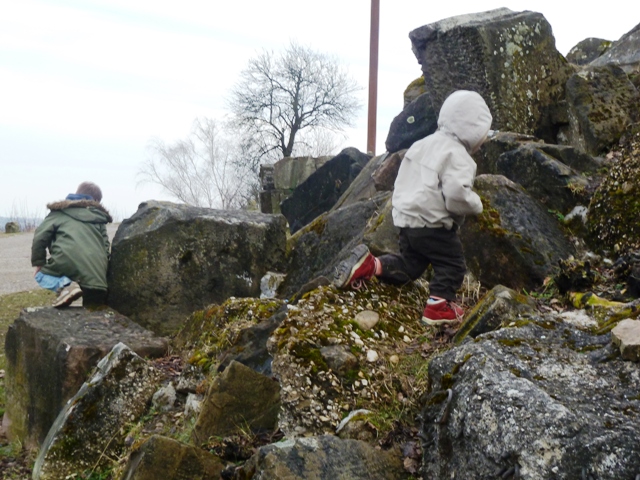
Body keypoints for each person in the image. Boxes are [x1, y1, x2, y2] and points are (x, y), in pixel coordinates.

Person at [333, 90, 492, 326]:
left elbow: (402, 178)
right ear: (473, 129)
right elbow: (457, 195)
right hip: (433, 222)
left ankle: (372, 265)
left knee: (410, 265)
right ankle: (438, 307)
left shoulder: (421, 145)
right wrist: (476, 204)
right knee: (452, 264)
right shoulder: (457, 154)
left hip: (406, 219)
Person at [31, 181, 112, 308]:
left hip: (66, 263)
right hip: (97, 278)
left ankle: (66, 286)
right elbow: (106, 249)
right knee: (91, 312)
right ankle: (73, 290)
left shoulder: (60, 212)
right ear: (96, 201)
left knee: (40, 275)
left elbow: (40, 237)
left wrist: (39, 262)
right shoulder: (99, 219)